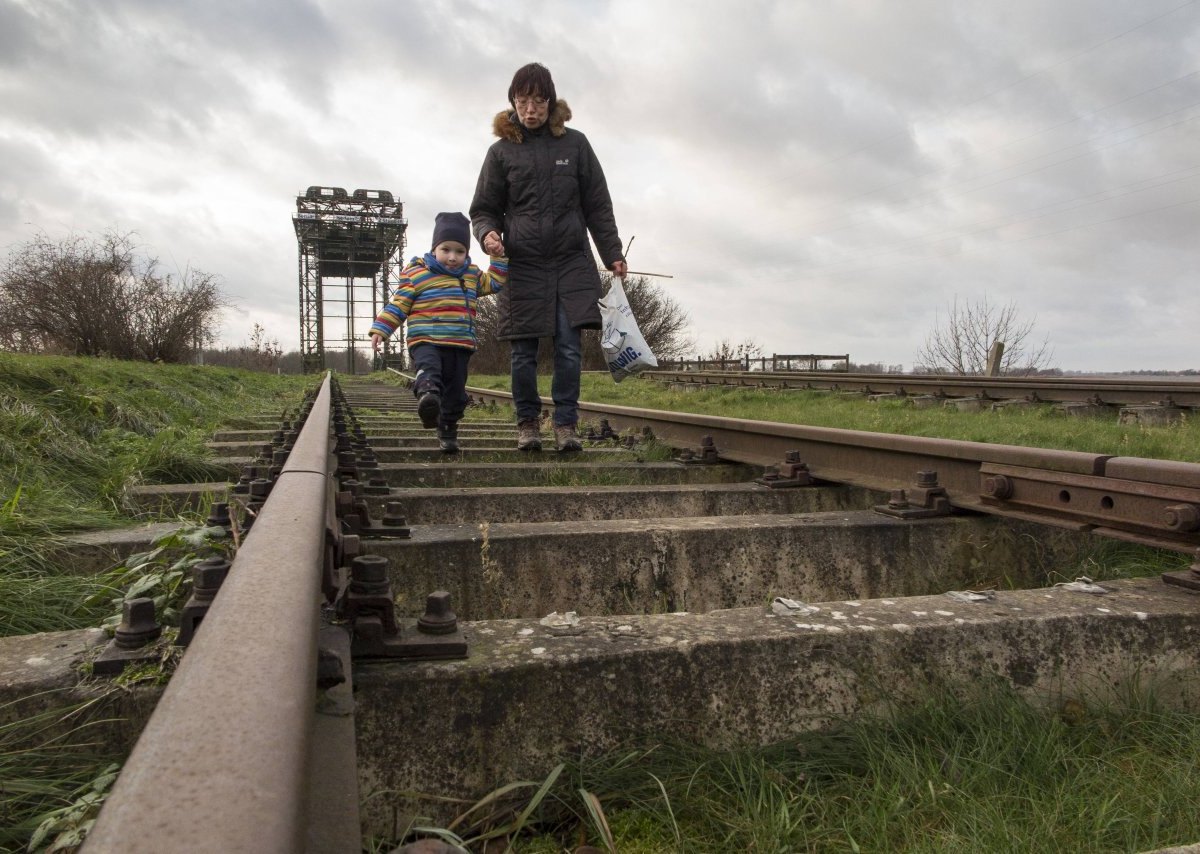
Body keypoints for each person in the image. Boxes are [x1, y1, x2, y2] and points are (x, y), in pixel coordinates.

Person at [470, 62, 628, 453]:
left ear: (550, 101)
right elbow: (484, 209)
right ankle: (527, 423)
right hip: (522, 263)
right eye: (523, 101)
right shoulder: (500, 152)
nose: (531, 110)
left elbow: (598, 205)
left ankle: (566, 424)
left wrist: (612, 252)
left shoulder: (576, 145)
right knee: (523, 351)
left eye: (538, 101)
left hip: (571, 260)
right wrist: (488, 234)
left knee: (569, 347)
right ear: (513, 103)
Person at [369, 211, 507, 453]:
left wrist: (498, 258)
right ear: (434, 249)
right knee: (430, 372)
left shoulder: (471, 275)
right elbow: (399, 304)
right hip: (426, 340)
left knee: (455, 391)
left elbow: (495, 283)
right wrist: (382, 327)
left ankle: (447, 427)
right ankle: (428, 397)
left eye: (459, 251)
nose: (452, 257)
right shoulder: (417, 274)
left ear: (466, 253)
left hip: (460, 344)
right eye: (446, 249)